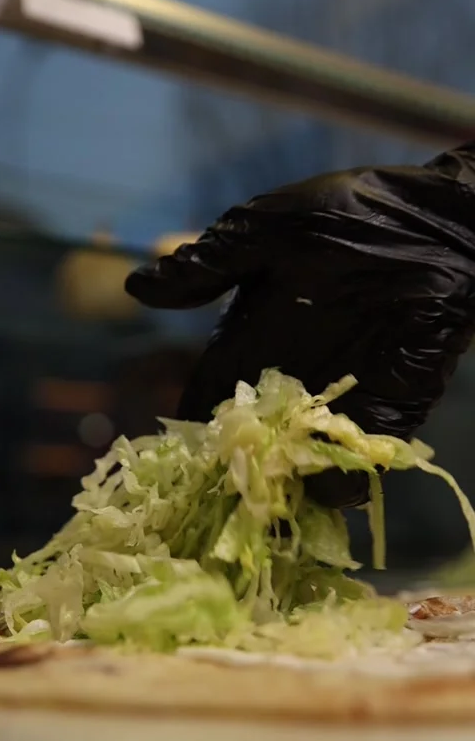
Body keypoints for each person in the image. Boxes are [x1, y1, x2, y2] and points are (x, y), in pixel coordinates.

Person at [125, 140, 475, 509]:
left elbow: (168, 284)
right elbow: (344, 478)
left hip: (206, 450)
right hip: (259, 484)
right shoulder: (457, 276)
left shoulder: (330, 199)